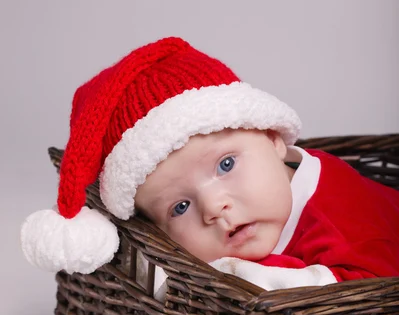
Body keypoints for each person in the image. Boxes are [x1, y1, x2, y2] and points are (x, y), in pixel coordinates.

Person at [21, 37, 399, 296]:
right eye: (179, 207)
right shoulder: (256, 208)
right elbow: (166, 284)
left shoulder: (339, 213)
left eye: (226, 164)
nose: (214, 207)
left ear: (271, 138)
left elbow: (370, 295)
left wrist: (254, 275)